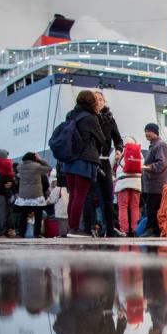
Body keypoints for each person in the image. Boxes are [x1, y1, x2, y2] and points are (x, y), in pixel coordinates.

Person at [61, 90, 106, 238]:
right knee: (80, 195)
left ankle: (71, 227)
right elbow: (102, 139)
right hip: (84, 160)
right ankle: (74, 229)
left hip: (69, 160)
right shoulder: (91, 118)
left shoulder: (70, 115)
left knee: (73, 195)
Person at [93, 90, 124, 237]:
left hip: (104, 161)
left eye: (101, 99)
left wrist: (118, 150)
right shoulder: (89, 117)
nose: (99, 101)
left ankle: (110, 229)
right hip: (92, 161)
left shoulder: (110, 120)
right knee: (92, 197)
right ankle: (92, 227)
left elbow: (118, 139)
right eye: (96, 99)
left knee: (107, 197)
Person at [141, 122, 167, 238]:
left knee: (153, 208)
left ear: (155, 132)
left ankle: (151, 230)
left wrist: (147, 167)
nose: (146, 133)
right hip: (153, 184)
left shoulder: (160, 145)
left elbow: (161, 163)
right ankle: (153, 230)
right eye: (145, 131)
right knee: (152, 208)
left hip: (157, 185)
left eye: (149, 131)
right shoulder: (154, 145)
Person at [14, 152, 52, 238]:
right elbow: (49, 168)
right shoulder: (37, 167)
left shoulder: (19, 167)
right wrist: (40, 159)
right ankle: (36, 233)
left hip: (24, 196)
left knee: (23, 215)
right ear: (34, 158)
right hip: (36, 195)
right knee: (38, 215)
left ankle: (21, 233)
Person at [114, 135, 143, 237]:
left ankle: (124, 230)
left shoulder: (120, 151)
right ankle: (135, 230)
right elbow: (142, 166)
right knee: (135, 207)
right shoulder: (139, 152)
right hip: (136, 182)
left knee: (122, 207)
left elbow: (110, 163)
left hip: (123, 182)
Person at [0, 149, 16, 238]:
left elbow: (9, 178)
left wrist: (11, 182)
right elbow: (0, 178)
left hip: (5, 193)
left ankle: (4, 231)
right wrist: (10, 181)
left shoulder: (5, 166)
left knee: (5, 213)